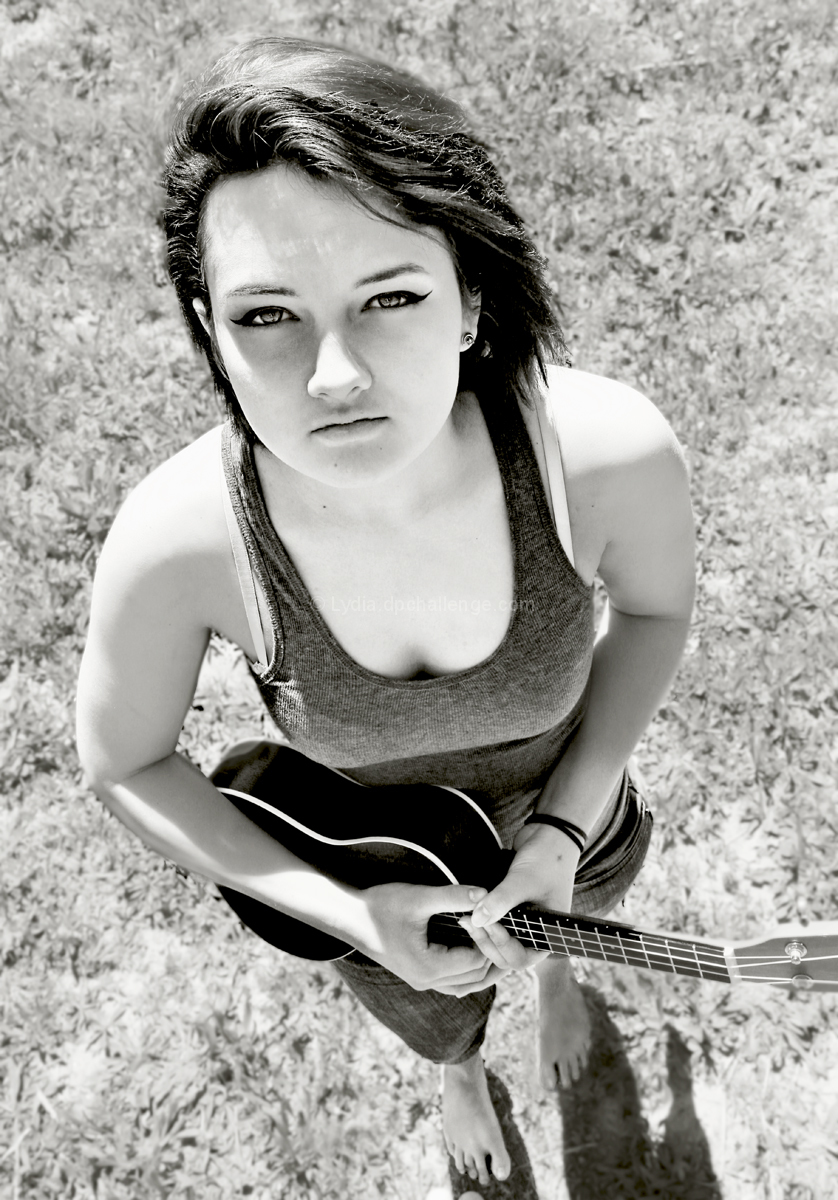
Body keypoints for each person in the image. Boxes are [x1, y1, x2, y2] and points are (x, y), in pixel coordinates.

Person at [75, 36, 695, 1193]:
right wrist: (350, 920)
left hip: (576, 818)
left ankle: (561, 974)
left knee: (567, 932)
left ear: (470, 299)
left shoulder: (602, 455)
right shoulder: (182, 540)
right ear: (209, 329)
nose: (333, 378)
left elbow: (653, 618)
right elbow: (124, 763)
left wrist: (560, 835)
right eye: (267, 317)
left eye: (390, 296)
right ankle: (458, 1070)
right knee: (436, 1015)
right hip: (380, 878)